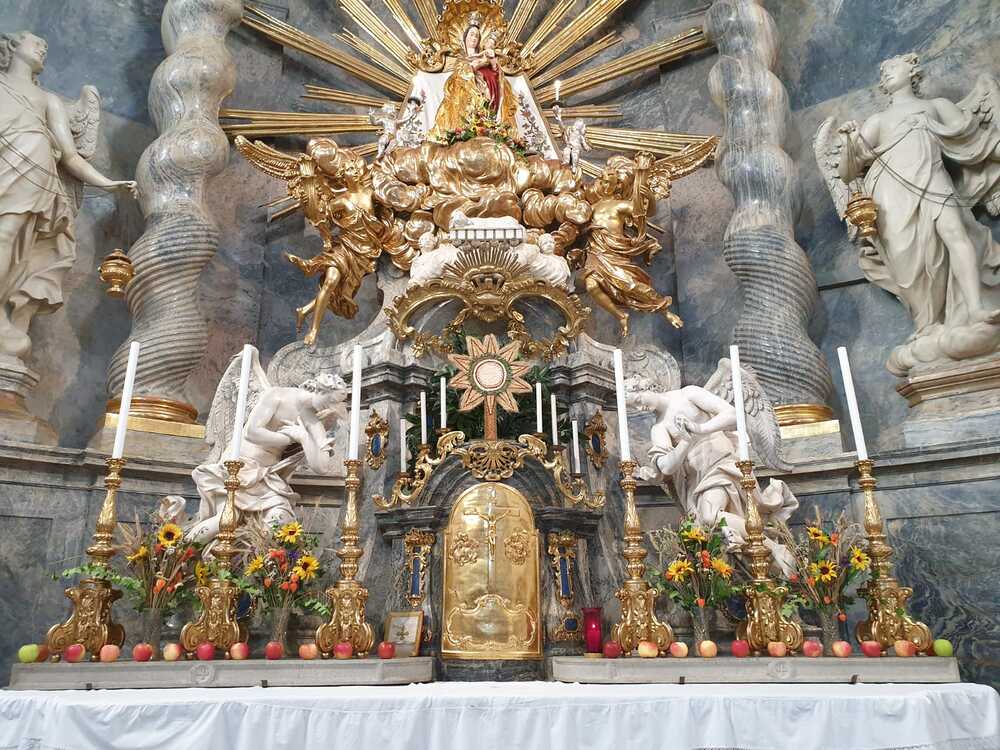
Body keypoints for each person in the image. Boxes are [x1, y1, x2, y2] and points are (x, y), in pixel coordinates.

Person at [0, 32, 136, 358]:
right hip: (4, 164)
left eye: (45, 45)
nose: (43, 47)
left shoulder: (49, 101)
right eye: (35, 42)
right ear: (12, 46)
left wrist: (108, 184)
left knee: (9, 237)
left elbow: (71, 156)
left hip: (34, 174)